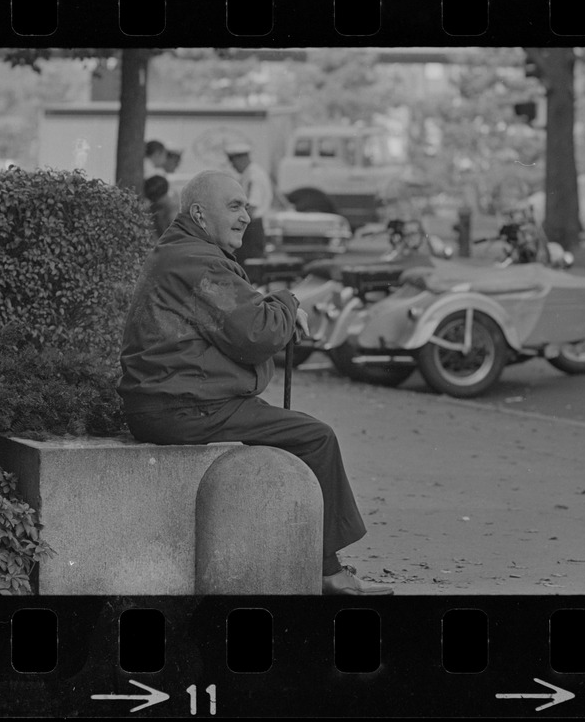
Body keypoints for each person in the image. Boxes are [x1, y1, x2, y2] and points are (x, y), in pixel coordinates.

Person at [118, 170, 393, 596]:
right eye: (234, 206)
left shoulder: (183, 253)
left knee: (295, 428)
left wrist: (274, 307)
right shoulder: (197, 262)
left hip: (181, 401)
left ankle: (315, 559)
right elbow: (257, 333)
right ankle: (326, 570)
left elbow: (239, 316)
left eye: (246, 206)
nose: (246, 216)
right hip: (187, 407)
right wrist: (287, 300)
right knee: (316, 437)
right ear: (199, 214)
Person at [224, 143, 273, 265]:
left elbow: (251, 207)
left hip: (252, 228)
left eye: (233, 161)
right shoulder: (249, 173)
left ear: (241, 158)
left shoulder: (254, 176)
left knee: (248, 267)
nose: (233, 166)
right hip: (250, 227)